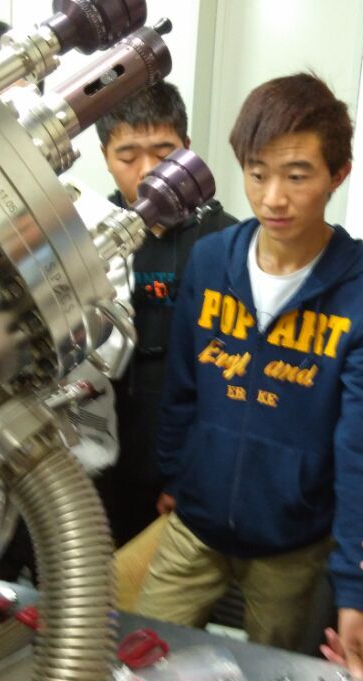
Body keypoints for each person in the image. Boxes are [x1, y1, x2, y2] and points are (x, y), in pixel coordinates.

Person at [137, 73, 363, 672]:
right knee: (139, 661)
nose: (273, 198)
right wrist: (175, 474)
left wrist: (354, 592)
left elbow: (362, 451)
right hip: (194, 524)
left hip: (292, 544)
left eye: (297, 176)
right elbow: (182, 387)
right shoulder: (211, 261)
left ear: (338, 174)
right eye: (257, 174)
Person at [93, 81, 237, 546]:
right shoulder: (84, 238)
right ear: (104, 156)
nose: (148, 171)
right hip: (102, 454)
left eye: (164, 152)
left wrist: (192, 470)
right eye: (127, 156)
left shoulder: (228, 243)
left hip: (190, 464)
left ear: (187, 149)